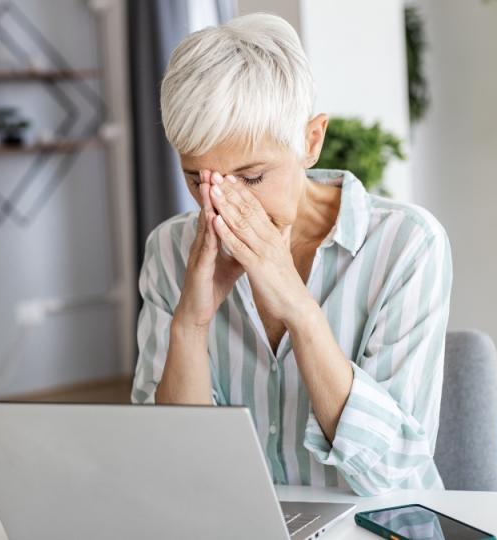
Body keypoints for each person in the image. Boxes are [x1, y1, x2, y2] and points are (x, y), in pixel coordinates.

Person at [131, 12, 452, 496]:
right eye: (197, 178)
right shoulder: (170, 251)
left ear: (311, 140)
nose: (220, 203)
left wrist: (300, 311)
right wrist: (190, 324)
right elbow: (177, 473)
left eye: (252, 176)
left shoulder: (406, 245)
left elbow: (395, 475)